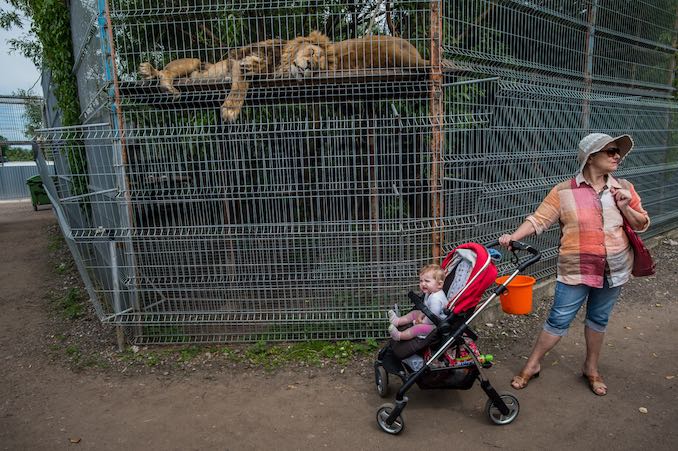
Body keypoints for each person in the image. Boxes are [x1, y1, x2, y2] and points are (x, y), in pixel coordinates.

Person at [499, 133, 650, 396]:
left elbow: (641, 224)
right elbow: (539, 220)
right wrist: (513, 237)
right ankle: (532, 365)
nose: (617, 156)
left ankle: (591, 369)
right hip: (575, 269)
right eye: (611, 151)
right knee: (558, 319)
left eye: (618, 152)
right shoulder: (563, 191)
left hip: (615, 267)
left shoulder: (623, 186)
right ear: (591, 157)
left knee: (598, 319)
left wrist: (625, 206)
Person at [387, 264, 448, 341]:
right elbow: (426, 308)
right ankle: (398, 321)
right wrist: (420, 316)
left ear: (439, 284)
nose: (423, 284)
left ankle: (400, 336)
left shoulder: (436, 299)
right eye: (421, 281)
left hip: (437, 325)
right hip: (430, 317)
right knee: (415, 313)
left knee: (417, 328)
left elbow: (433, 317)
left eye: (427, 281)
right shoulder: (429, 293)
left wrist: (422, 322)